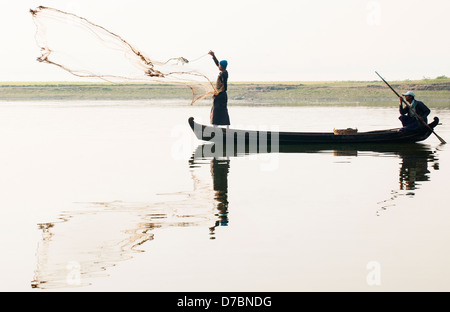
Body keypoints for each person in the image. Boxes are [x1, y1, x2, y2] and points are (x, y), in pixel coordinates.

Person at [208, 50, 230, 127]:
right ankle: (222, 127)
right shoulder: (224, 72)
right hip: (221, 94)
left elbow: (224, 86)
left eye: (220, 65)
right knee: (219, 109)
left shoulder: (224, 74)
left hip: (221, 95)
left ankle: (216, 127)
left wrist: (217, 94)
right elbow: (217, 63)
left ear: (222, 67)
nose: (218, 66)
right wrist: (213, 56)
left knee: (217, 110)